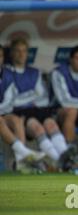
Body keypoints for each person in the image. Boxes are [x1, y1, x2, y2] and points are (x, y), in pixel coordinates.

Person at [7, 38, 74, 170]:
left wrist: (25, 98)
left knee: (51, 124)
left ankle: (64, 155)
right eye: (18, 51)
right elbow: (12, 100)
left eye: (24, 51)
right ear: (12, 53)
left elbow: (43, 98)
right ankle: (59, 160)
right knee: (38, 128)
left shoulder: (35, 72)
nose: (21, 54)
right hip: (18, 112)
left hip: (37, 109)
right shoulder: (7, 72)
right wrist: (32, 96)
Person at [0, 44, 45, 172]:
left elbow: (9, 102)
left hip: (2, 112)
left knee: (16, 119)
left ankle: (21, 161)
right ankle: (25, 153)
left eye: (0, 56)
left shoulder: (7, 74)